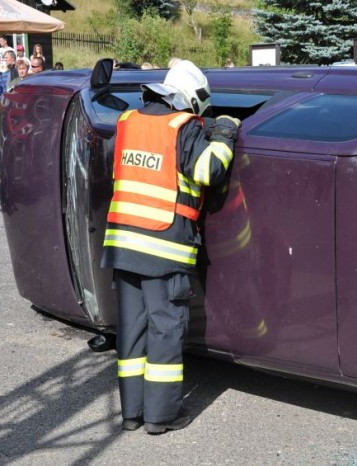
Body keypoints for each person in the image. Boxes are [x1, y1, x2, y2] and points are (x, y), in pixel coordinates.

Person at [100, 60, 241, 434]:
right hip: (163, 248)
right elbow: (208, 170)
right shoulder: (185, 127)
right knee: (166, 329)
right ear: (192, 100)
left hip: (123, 243)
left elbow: (112, 163)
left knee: (132, 330)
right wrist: (225, 133)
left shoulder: (128, 122)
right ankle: (162, 417)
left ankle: (132, 414)